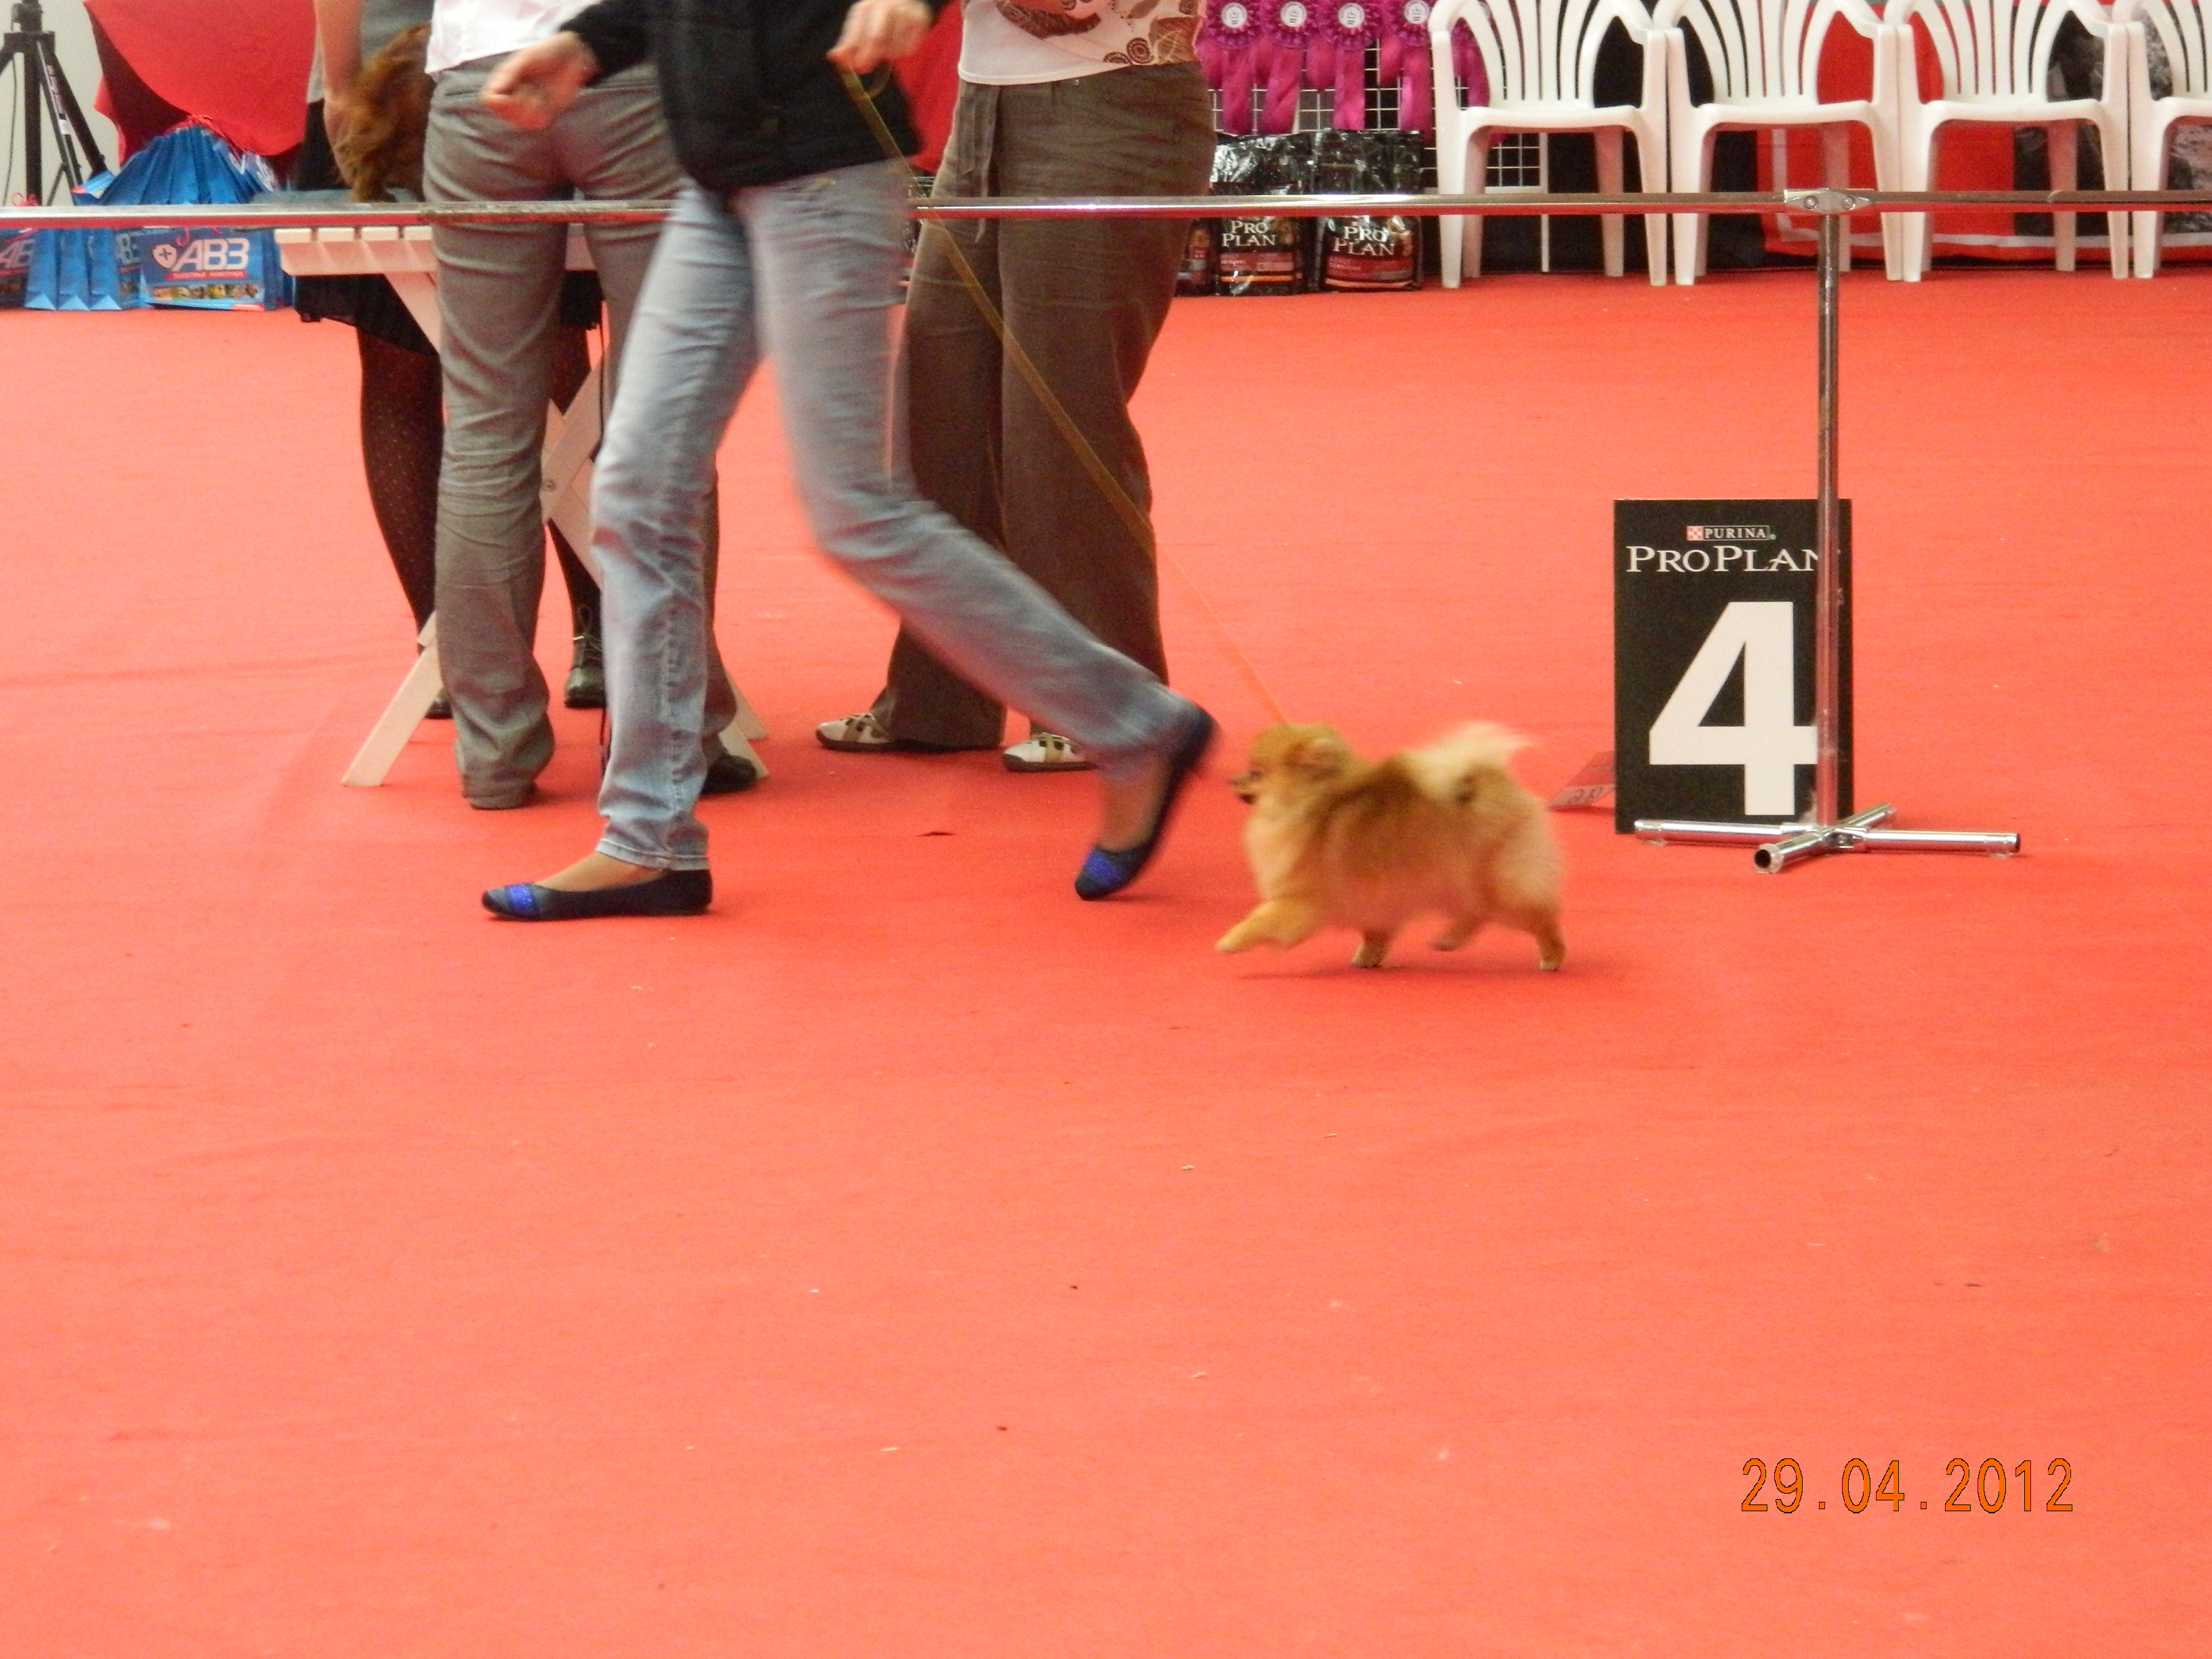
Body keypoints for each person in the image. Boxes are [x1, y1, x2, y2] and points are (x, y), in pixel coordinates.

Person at [474, 0, 1214, 921]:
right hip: (724, 177)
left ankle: (1135, 723)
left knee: (856, 512)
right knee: (635, 493)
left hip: (818, 170)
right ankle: (646, 840)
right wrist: (589, 41)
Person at [813, 0, 1212, 774]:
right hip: (983, 106)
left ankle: (1108, 704)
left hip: (1111, 105)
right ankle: (941, 699)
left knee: (1060, 421)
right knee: (942, 414)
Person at [422, 0, 752, 808]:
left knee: (485, 430)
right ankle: (676, 739)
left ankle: (494, 753)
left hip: (477, 78)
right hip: (636, 74)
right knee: (666, 424)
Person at [301, 0, 605, 721]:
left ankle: (585, 626)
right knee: (407, 361)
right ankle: (448, 641)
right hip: (402, 78)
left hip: (534, 71)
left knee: (551, 361)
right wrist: (344, 86)